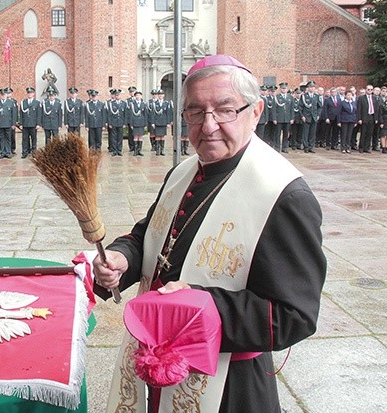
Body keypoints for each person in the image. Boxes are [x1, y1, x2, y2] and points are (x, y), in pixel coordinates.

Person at [93, 54, 326, 413]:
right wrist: (123, 257)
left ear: (256, 111)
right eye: (195, 112)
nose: (209, 125)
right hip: (157, 359)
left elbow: (294, 315)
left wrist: (199, 303)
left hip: (229, 384)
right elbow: (151, 236)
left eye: (225, 109)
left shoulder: (283, 194)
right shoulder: (184, 171)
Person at [0, 88, 18, 159]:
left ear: (6, 95)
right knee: (1, 138)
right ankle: (2, 152)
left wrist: (13, 124)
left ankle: (8, 152)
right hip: (0, 123)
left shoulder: (11, 102)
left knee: (8, 138)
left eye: (4, 95)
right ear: (0, 95)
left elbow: (14, 114)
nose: (3, 96)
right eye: (2, 95)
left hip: (8, 123)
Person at [148, 89, 173, 156]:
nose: (160, 96)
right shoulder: (154, 104)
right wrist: (153, 122)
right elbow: (152, 114)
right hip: (157, 122)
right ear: (158, 96)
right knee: (157, 136)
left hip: (164, 122)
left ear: (163, 95)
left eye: (161, 95)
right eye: (159, 95)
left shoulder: (166, 103)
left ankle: (162, 150)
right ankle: (157, 150)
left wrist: (168, 122)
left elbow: (168, 113)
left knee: (162, 137)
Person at [20, 87, 42, 158]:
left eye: (31, 93)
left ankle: (34, 152)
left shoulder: (37, 103)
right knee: (25, 139)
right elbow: (21, 114)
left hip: (33, 124)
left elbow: (39, 114)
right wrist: (20, 123)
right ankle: (24, 152)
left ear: (33, 94)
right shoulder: (23, 102)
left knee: (34, 138)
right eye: (28, 93)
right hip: (25, 124)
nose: (30, 94)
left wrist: (38, 124)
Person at [356, 85, 378, 153]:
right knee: (363, 133)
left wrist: (376, 118)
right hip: (364, 117)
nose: (370, 91)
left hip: (372, 117)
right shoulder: (361, 98)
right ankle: (361, 147)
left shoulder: (374, 98)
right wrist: (359, 118)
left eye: (371, 90)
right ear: (366, 90)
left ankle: (367, 147)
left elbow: (376, 109)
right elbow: (359, 109)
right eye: (368, 89)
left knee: (369, 133)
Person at [106, 89, 127, 156]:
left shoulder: (123, 103)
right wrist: (110, 123)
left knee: (120, 137)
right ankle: (114, 150)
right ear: (115, 96)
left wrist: (125, 123)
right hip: (114, 122)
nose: (117, 96)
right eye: (116, 95)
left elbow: (125, 114)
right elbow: (109, 114)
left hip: (121, 122)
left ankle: (119, 150)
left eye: (119, 95)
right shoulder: (111, 103)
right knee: (114, 137)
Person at [127, 90, 147, 156]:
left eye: (139, 95)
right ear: (135, 96)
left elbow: (145, 115)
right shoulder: (132, 104)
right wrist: (131, 124)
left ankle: (139, 150)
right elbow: (130, 115)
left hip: (141, 122)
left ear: (141, 96)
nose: (138, 96)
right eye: (137, 95)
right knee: (135, 137)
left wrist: (145, 124)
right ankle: (135, 151)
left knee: (140, 137)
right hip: (135, 122)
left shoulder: (143, 104)